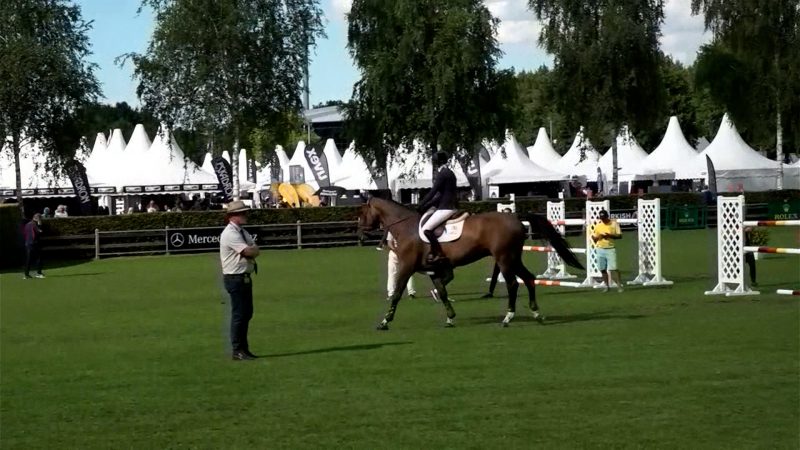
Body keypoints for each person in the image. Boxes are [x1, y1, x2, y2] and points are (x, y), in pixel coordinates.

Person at [220, 200, 260, 361]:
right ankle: (237, 349)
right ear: (234, 216)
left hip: (243, 277)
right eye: (243, 213)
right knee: (240, 314)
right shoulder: (231, 233)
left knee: (246, 313)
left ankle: (243, 348)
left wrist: (253, 250)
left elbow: (253, 248)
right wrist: (253, 250)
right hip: (235, 277)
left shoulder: (241, 231)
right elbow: (249, 251)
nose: (246, 215)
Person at [417, 151, 458, 265]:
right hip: (449, 206)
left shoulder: (443, 174)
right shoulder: (450, 173)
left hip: (446, 208)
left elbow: (433, 192)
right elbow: (440, 195)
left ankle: (439, 253)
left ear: (437, 163)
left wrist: (420, 205)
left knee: (427, 229)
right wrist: (426, 205)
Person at [592, 209, 623, 292]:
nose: (603, 220)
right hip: (600, 248)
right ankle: (607, 286)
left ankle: (619, 286)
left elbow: (620, 236)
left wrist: (610, 236)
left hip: (610, 248)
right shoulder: (598, 226)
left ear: (607, 217)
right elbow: (594, 238)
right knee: (602, 269)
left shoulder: (614, 224)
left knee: (614, 268)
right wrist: (597, 238)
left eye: (604, 218)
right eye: (602, 218)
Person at [380, 231, 416, 300]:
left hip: (396, 253)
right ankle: (411, 293)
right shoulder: (407, 229)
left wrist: (395, 250)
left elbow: (389, 243)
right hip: (404, 253)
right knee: (408, 274)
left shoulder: (392, 229)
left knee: (392, 274)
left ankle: (391, 294)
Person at [23, 213, 45, 279]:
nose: (41, 220)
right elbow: (39, 232)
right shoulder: (34, 224)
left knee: (28, 259)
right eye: (40, 218)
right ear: (38, 218)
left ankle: (26, 275)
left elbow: (24, 233)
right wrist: (40, 225)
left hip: (28, 243)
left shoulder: (27, 224)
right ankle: (39, 273)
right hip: (35, 243)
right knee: (39, 258)